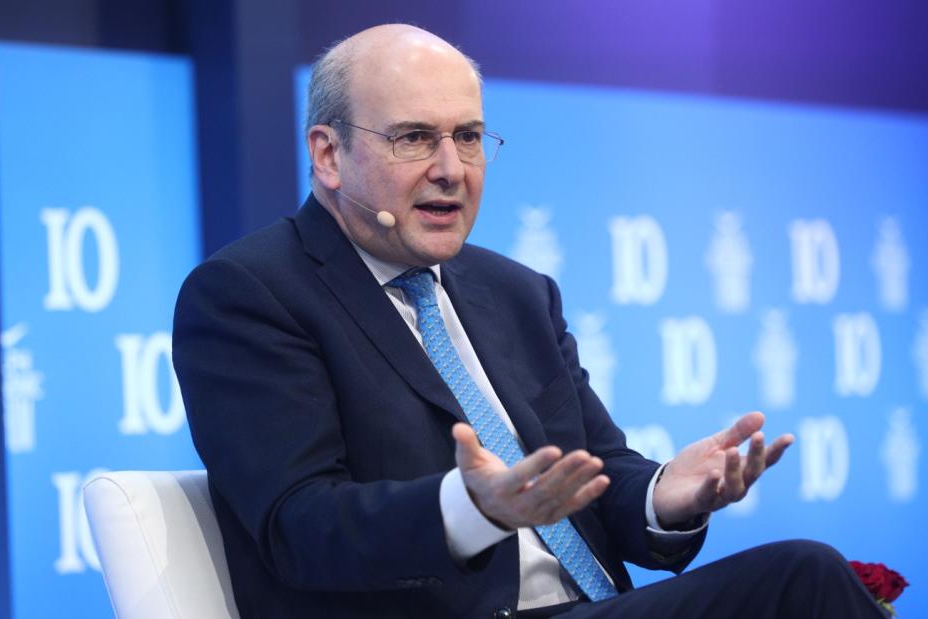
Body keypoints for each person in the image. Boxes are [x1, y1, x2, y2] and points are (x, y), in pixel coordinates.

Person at [172, 24, 887, 618]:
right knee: (803, 579)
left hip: (595, 604)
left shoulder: (514, 291)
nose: (452, 169)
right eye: (414, 138)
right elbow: (300, 526)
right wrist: (473, 509)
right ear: (329, 154)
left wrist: (666, 494)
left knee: (808, 579)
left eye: (469, 136)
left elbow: (594, 472)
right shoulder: (250, 293)